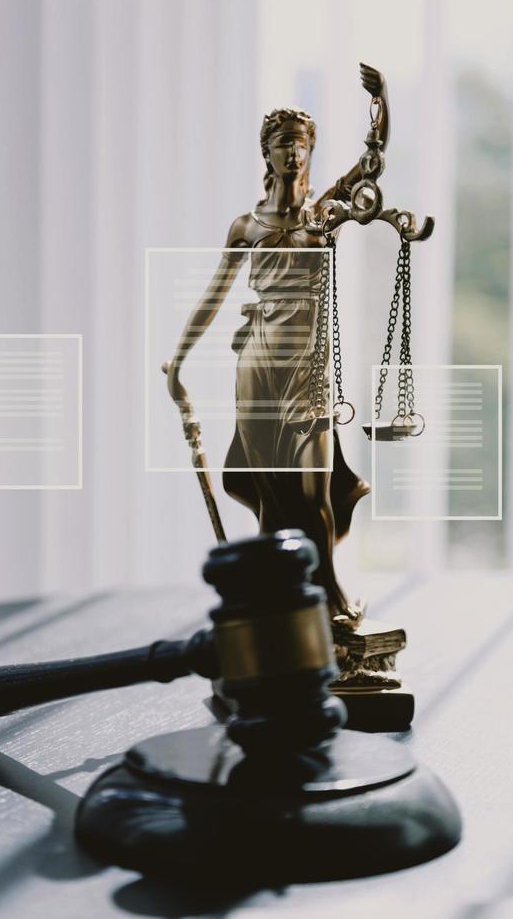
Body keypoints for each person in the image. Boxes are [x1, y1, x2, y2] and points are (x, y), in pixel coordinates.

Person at [167, 65, 389, 628]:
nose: (294, 155)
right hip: (258, 367)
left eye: (302, 146)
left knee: (314, 493)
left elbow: (372, 164)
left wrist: (380, 105)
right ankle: (276, 603)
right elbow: (215, 294)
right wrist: (180, 359)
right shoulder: (246, 225)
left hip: (307, 371)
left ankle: (330, 592)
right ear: (266, 154)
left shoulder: (324, 213)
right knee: (271, 498)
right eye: (284, 146)